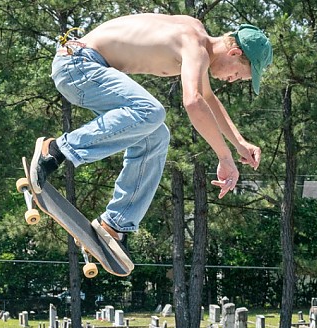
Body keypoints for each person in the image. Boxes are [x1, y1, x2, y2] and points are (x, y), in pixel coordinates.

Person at [30, 14, 273, 267]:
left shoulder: (196, 36)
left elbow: (208, 98)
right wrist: (224, 157)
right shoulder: (195, 45)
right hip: (78, 64)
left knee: (156, 136)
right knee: (151, 111)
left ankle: (114, 224)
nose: (233, 80)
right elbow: (193, 102)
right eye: (239, 75)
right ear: (234, 53)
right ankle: (55, 151)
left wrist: (239, 143)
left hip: (84, 69)